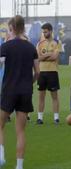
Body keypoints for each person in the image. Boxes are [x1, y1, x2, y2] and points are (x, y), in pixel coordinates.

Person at [0, 15, 39, 169]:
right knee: (21, 131)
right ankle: (19, 166)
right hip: (25, 91)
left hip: (9, 90)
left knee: (0, 125)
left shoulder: (6, 46)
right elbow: (38, 72)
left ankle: (1, 156)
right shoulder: (31, 47)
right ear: (23, 28)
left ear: (11, 28)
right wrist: (30, 83)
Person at [36, 23, 61, 125]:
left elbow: (55, 57)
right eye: (43, 32)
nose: (44, 33)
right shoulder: (40, 43)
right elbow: (39, 58)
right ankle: (40, 118)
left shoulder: (57, 42)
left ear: (50, 31)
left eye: (45, 31)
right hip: (42, 72)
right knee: (41, 96)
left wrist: (44, 56)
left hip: (53, 72)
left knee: (54, 96)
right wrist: (49, 54)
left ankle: (56, 118)